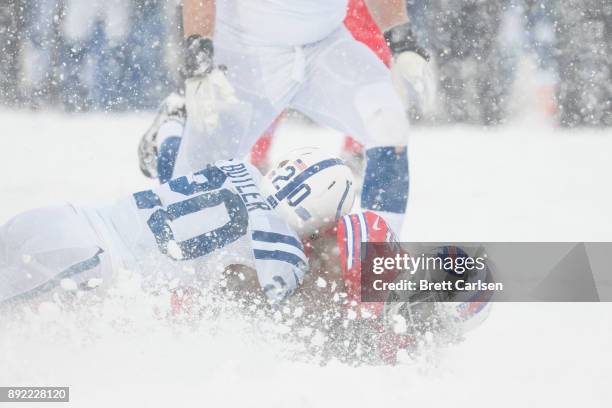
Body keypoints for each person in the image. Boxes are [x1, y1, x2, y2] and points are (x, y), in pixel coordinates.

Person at [157, 0, 430, 235]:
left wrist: (402, 39)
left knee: (388, 122)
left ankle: (373, 267)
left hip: (324, 45)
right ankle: (171, 129)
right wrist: (199, 54)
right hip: (244, 52)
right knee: (191, 194)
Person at [0, 149, 357, 306]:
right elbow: (274, 322)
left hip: (63, 217)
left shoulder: (240, 167)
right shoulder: (283, 250)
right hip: (91, 262)